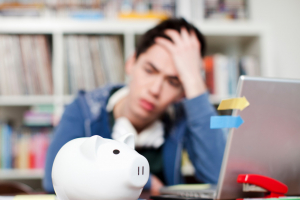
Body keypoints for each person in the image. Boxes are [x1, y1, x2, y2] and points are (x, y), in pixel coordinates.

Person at [43, 17, 226, 195]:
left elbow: (220, 178)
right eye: (149, 70)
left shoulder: (181, 119)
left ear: (182, 92)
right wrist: (143, 180)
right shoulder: (85, 109)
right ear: (131, 63)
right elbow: (54, 180)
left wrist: (193, 80)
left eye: (173, 81)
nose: (155, 90)